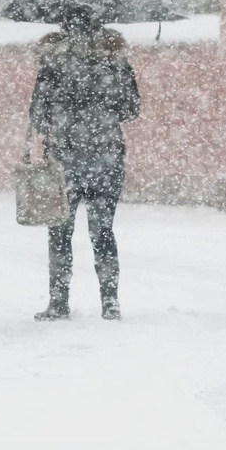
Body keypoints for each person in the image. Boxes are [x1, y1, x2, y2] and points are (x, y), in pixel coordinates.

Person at [29, 16, 140, 321]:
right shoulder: (115, 62)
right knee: (103, 231)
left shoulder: (52, 63)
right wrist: (102, 111)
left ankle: (59, 301)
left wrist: (62, 117)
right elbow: (132, 109)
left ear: (63, 26)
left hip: (63, 159)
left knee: (60, 232)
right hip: (106, 157)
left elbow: (37, 115)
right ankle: (110, 302)